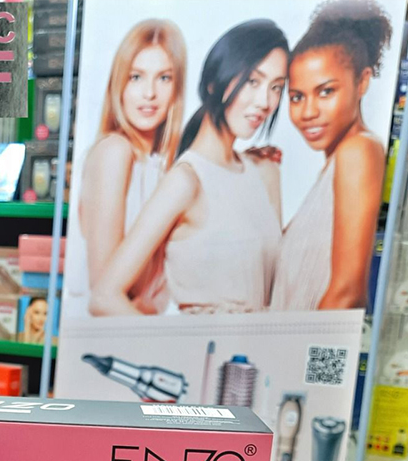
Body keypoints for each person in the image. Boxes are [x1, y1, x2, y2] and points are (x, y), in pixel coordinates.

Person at [91, 20, 287, 315]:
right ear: (214, 82)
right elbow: (104, 296)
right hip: (205, 343)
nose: (265, 101)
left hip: (266, 342)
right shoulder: (185, 180)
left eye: (276, 87)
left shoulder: (265, 172)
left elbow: (276, 285)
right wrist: (169, 343)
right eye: (253, 81)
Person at [271, 0, 393, 311]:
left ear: (362, 82)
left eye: (326, 91)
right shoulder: (334, 167)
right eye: (297, 97)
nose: (308, 112)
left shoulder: (358, 151)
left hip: (310, 344)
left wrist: (305, 354)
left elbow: (347, 293)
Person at [75, 20, 186, 312]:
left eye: (164, 78)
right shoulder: (115, 151)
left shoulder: (164, 166)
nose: (150, 93)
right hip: (111, 332)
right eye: (136, 77)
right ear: (119, 84)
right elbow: (103, 297)